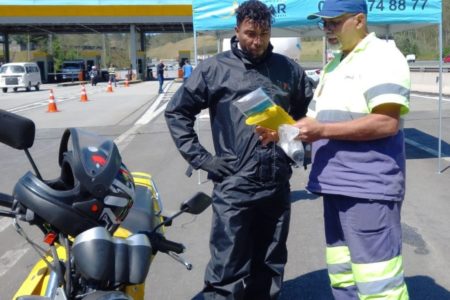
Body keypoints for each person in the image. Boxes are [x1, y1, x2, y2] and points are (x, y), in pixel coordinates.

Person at [258, 0, 410, 299]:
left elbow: (385, 123)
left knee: (378, 282)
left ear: (359, 20)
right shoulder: (335, 64)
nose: (327, 29)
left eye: (333, 22)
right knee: (344, 277)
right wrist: (283, 131)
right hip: (336, 185)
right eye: (323, 23)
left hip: (368, 188)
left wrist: (322, 131)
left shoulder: (383, 57)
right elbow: (314, 120)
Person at [164, 1, 312, 299]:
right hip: (234, 185)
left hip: (275, 184)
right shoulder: (215, 70)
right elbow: (177, 113)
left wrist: (296, 145)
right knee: (227, 267)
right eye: (250, 34)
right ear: (237, 31)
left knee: (269, 264)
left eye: (264, 33)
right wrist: (202, 158)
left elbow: (308, 114)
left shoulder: (288, 70)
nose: (257, 41)